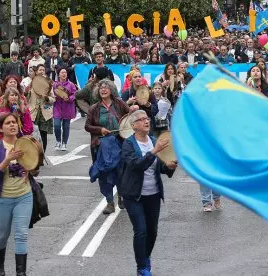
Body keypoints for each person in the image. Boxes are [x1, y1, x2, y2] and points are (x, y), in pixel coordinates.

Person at [119, 110, 177, 276]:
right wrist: (153, 152)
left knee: (152, 231)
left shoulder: (153, 140)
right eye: (141, 119)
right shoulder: (129, 144)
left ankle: (145, 257)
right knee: (141, 230)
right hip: (134, 195)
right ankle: (142, 267)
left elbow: (161, 167)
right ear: (133, 125)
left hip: (153, 194)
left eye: (147, 118)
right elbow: (136, 165)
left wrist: (170, 166)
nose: (146, 121)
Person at [0, 112, 35, 276]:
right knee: (2, 235)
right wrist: (7, 160)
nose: (12, 125)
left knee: (21, 234)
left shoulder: (25, 143)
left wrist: (33, 167)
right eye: (8, 123)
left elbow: (35, 168)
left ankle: (20, 273)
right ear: (1, 128)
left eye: (14, 122)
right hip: (2, 198)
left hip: (24, 196)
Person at [84, 79, 135, 215]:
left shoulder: (119, 103)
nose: (103, 90)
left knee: (121, 171)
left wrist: (133, 109)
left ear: (111, 90)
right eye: (101, 88)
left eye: (106, 87)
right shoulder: (94, 108)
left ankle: (122, 197)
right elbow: (87, 126)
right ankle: (109, 202)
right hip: (101, 145)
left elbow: (129, 117)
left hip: (119, 143)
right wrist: (100, 130)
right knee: (104, 174)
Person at [28, 64, 56, 152]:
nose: (42, 71)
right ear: (36, 72)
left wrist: (47, 98)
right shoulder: (31, 82)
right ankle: (33, 154)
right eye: (40, 70)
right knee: (31, 134)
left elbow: (53, 99)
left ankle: (42, 155)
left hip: (45, 112)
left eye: (43, 70)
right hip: (33, 112)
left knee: (43, 134)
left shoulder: (49, 83)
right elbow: (25, 97)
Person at [53, 68, 77, 151]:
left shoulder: (71, 84)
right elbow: (51, 94)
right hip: (57, 107)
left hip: (68, 108)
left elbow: (74, 95)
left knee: (66, 127)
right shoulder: (54, 84)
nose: (64, 74)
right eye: (62, 72)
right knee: (56, 125)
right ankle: (58, 141)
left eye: (65, 72)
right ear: (58, 74)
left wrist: (69, 98)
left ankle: (64, 143)